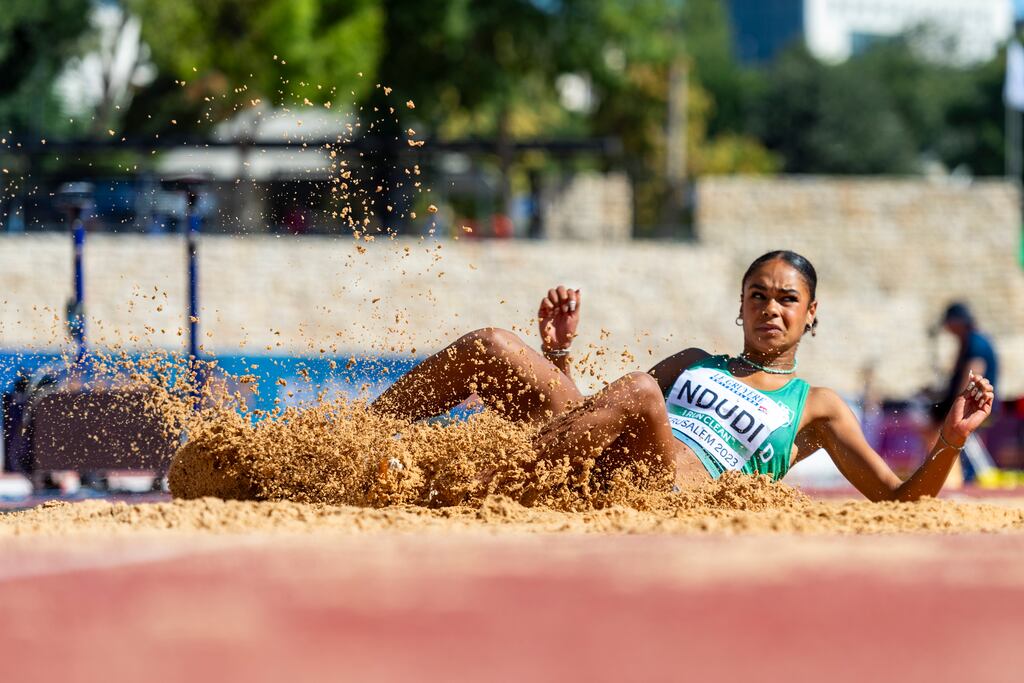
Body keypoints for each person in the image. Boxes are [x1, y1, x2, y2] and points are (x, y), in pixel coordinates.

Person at [372, 250, 994, 502]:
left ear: (810, 314)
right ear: (741, 305)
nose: (770, 308)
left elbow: (895, 498)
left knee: (645, 393)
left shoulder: (819, 406)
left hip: (675, 487)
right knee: (493, 345)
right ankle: (349, 436)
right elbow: (594, 416)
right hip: (610, 459)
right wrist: (558, 356)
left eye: (786, 299)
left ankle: (472, 490)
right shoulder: (696, 360)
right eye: (757, 295)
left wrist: (953, 439)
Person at [927, 302, 1000, 486]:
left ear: (958, 322)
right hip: (972, 401)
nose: (947, 328)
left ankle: (958, 477)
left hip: (977, 405)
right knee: (938, 425)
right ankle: (955, 474)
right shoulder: (969, 341)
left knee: (946, 429)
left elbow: (973, 375)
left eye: (949, 323)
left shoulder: (976, 343)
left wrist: (955, 404)